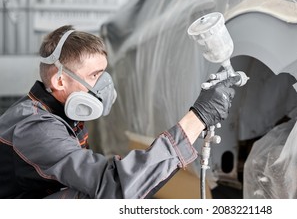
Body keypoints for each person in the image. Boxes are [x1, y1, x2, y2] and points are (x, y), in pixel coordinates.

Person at [0, 25, 238, 199]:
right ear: (60, 81)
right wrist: (198, 117)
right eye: (94, 75)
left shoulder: (60, 114)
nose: (103, 85)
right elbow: (115, 185)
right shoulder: (36, 127)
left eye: (103, 73)